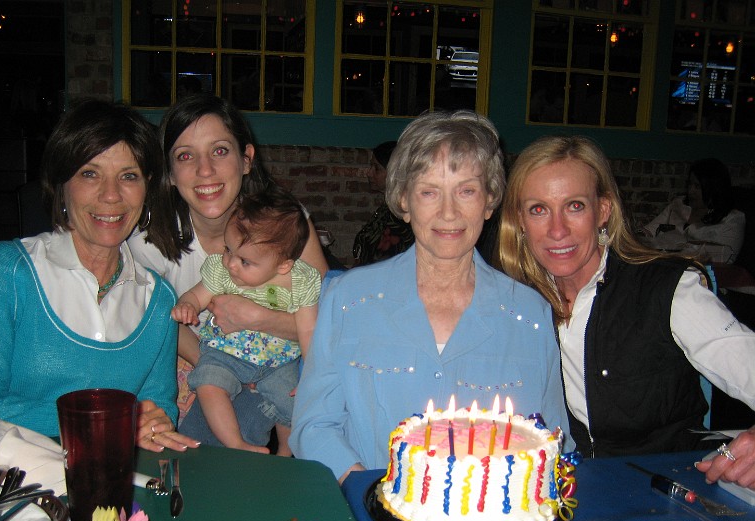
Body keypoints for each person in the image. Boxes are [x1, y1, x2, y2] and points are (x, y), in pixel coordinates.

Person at [290, 110, 571, 483]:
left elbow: (552, 444)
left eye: (466, 190)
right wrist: (369, 492)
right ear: (404, 201)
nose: (449, 212)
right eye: (428, 191)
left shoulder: (529, 315)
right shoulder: (348, 299)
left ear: (489, 201)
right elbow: (313, 426)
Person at [497, 135, 755, 489]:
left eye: (574, 206)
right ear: (520, 222)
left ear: (602, 210)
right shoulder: (513, 303)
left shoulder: (665, 290)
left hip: (671, 489)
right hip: (568, 493)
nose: (557, 230)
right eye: (538, 209)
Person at [0, 99, 197, 452]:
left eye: (128, 176)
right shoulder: (5, 271)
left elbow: (159, 411)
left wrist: (154, 424)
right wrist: (110, 424)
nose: (111, 195)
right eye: (89, 173)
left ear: (147, 188)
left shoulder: (159, 300)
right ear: (61, 184)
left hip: (113, 492)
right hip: (6, 490)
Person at [129, 94, 328, 448]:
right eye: (185, 156)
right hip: (200, 359)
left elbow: (329, 322)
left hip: (282, 357)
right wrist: (226, 363)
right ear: (170, 173)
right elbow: (159, 326)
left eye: (219, 151)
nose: (205, 170)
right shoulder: (147, 239)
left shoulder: (285, 224)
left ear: (246, 159)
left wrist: (259, 319)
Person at [171, 191, 321, 455]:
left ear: (283, 265)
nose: (231, 264)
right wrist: (188, 304)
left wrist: (309, 372)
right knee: (208, 382)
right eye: (228, 250)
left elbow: (308, 329)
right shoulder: (222, 271)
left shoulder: (301, 280)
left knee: (294, 402)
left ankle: (286, 453)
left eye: (245, 261)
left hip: (279, 361)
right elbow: (198, 294)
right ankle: (235, 443)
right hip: (225, 352)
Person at [641, 158, 745, 264]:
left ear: (713, 188)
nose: (691, 191)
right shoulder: (678, 205)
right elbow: (648, 232)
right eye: (690, 184)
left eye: (697, 187)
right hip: (665, 268)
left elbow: (724, 258)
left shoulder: (732, 219)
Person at [351, 141, 415, 266]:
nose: (369, 173)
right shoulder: (387, 208)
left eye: (377, 168)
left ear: (394, 173)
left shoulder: (401, 216)